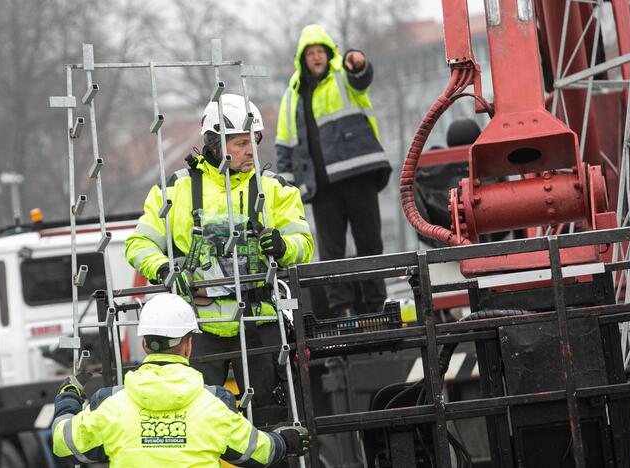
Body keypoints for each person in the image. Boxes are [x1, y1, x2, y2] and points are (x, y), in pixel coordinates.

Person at [124, 94, 313, 420]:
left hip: (259, 320)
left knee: (270, 419)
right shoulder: (175, 190)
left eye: (253, 141)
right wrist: (164, 268)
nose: (249, 151)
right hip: (197, 329)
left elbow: (304, 243)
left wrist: (284, 247)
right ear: (214, 144)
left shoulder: (275, 189)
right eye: (240, 143)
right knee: (195, 419)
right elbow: (138, 244)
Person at [52, 293, 310, 466]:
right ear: (188, 346)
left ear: (144, 344)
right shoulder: (214, 404)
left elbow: (62, 441)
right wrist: (286, 441)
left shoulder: (111, 404)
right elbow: (260, 451)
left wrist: (68, 397)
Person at [276, 24, 391, 317]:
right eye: (310, 53)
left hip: (357, 177)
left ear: (329, 54)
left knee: (369, 243)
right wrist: (287, 190)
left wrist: (358, 61)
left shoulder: (343, 75)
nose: (316, 57)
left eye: (320, 52)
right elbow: (285, 143)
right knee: (331, 253)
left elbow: (361, 76)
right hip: (322, 187)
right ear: (302, 59)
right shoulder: (292, 94)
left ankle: (375, 307)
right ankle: (341, 311)